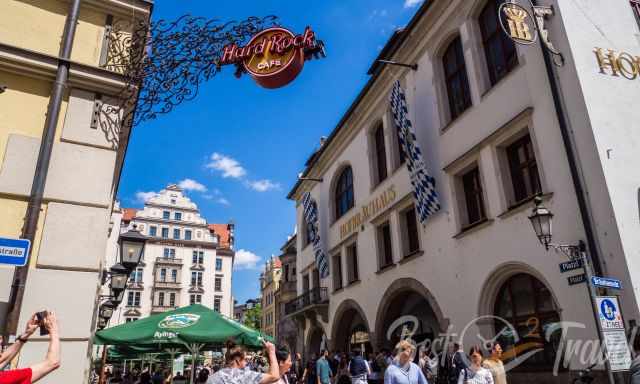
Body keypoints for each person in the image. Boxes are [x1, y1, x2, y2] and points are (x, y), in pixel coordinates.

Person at [0, 311, 60, 383]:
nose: (1, 339)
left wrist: (26, 334)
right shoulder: (4, 379)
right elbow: (53, 363)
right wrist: (53, 330)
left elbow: (4, 358)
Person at [207, 339, 280, 384]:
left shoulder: (212, 378)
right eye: (245, 359)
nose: (246, 363)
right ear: (238, 360)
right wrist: (271, 352)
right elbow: (275, 376)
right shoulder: (244, 376)